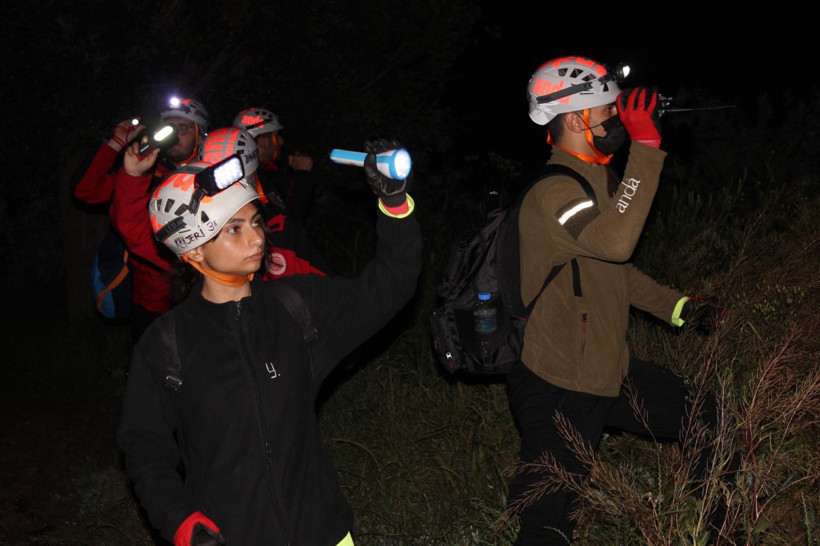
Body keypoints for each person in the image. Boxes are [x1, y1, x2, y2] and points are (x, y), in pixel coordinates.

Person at [116, 139, 421, 545]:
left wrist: (394, 203)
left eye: (256, 222)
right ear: (194, 248)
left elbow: (391, 283)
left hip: (325, 533)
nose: (256, 239)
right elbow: (145, 450)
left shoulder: (297, 308)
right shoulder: (166, 344)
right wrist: (180, 520)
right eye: (234, 229)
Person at [505, 55, 726, 543]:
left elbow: (613, 272)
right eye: (609, 111)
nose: (619, 121)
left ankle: (719, 531)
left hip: (608, 370)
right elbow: (616, 244)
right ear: (573, 120)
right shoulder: (553, 193)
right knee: (547, 524)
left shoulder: (595, 180)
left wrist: (680, 308)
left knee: (709, 416)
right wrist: (646, 146)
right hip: (560, 385)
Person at [109, 96, 210, 343]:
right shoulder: (148, 171)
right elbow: (132, 229)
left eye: (184, 127)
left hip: (206, 301)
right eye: (170, 127)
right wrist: (132, 173)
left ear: (201, 134)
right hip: (152, 305)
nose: (175, 134)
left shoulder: (217, 174)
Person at [233, 106, 334, 277]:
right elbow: (290, 220)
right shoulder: (248, 180)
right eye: (275, 136)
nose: (281, 142)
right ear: (263, 142)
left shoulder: (264, 175)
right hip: (282, 273)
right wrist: (303, 175)